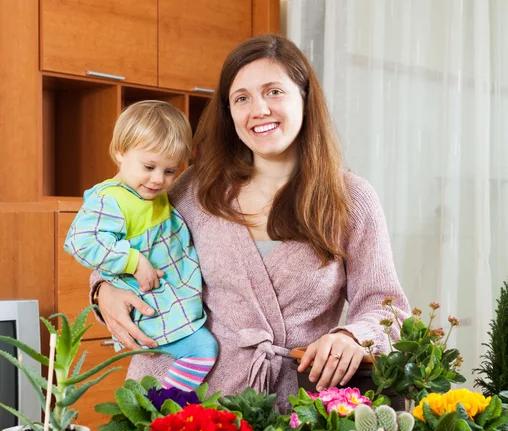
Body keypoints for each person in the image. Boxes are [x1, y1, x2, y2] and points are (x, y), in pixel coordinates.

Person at [90, 34, 410, 407]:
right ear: (230, 112)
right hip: (181, 398)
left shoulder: (351, 200)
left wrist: (351, 336)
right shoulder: (193, 187)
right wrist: (102, 290)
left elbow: (385, 306)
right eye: (242, 98)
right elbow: (118, 237)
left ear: (304, 97)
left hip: (292, 410)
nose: (259, 109)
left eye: (274, 91)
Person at [65, 100, 218, 392]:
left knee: (203, 349)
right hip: (155, 309)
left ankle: (165, 405)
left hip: (175, 304)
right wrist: (133, 261)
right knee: (202, 350)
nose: (159, 179)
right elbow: (81, 241)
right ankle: (163, 405)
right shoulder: (112, 200)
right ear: (120, 152)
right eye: (149, 166)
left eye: (170, 171)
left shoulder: (149, 194)